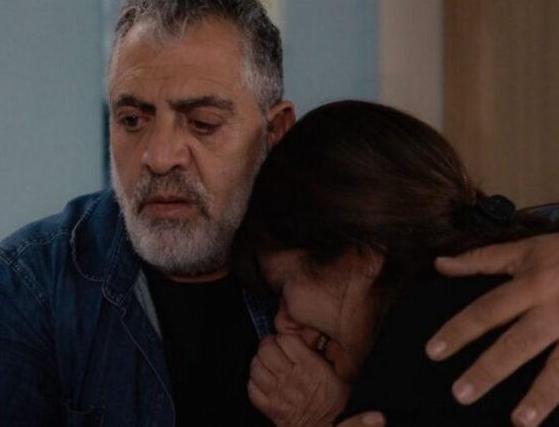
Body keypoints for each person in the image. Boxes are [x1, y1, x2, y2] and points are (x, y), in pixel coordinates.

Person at [0, 0, 559, 425]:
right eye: (132, 120)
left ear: (275, 131)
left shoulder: (344, 236)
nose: (158, 157)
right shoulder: (29, 289)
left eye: (202, 123)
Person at [233, 100, 559, 426]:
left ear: (360, 255)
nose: (282, 324)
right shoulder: (521, 260)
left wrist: (324, 418)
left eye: (284, 288)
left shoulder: (418, 341)